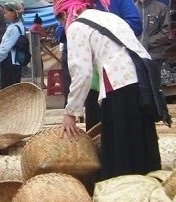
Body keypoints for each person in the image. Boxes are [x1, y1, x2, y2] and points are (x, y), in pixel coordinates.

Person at [55, 0, 161, 180]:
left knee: (120, 143)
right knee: (142, 140)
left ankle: (122, 188)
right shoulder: (110, 17)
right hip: (143, 80)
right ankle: (150, 182)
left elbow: (82, 74)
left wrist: (70, 112)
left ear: (65, 14)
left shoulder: (77, 27)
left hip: (119, 83)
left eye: (60, 21)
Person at [0, 2, 26, 89]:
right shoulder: (13, 26)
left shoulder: (16, 28)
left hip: (12, 62)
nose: (5, 15)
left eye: (6, 13)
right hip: (9, 61)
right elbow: (3, 44)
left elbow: (6, 47)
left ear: (14, 13)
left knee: (10, 89)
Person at [135, 0, 170, 69]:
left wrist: (147, 42)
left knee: (154, 79)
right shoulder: (132, 8)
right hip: (136, 56)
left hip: (155, 56)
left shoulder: (161, 8)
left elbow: (166, 31)